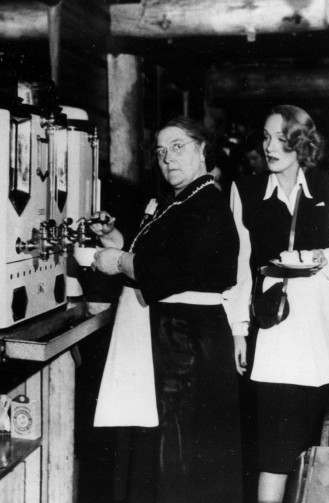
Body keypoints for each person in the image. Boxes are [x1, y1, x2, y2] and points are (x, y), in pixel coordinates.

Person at [91, 117, 243, 503]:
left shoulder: (208, 202)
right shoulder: (177, 201)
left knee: (180, 452)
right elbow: (158, 253)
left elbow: (174, 269)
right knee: (167, 449)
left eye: (178, 147)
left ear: (201, 150)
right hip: (173, 335)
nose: (167, 159)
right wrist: (115, 241)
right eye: (160, 152)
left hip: (189, 341)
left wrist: (118, 261)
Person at [229, 105, 329, 503]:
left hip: (316, 324)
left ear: (301, 142)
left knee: (312, 439)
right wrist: (238, 331)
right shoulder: (245, 191)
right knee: (273, 447)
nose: (270, 147)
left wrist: (321, 259)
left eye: (281, 138)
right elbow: (240, 270)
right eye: (265, 137)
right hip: (274, 326)